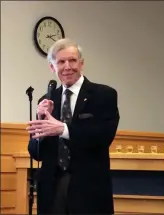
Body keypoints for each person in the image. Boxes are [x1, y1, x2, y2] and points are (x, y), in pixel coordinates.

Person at [27, 38, 120, 215]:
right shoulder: (45, 100)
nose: (67, 66)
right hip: (52, 190)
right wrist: (41, 130)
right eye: (61, 62)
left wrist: (63, 129)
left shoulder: (104, 95)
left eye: (72, 60)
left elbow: (103, 137)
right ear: (52, 68)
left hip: (88, 190)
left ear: (81, 63)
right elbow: (36, 153)